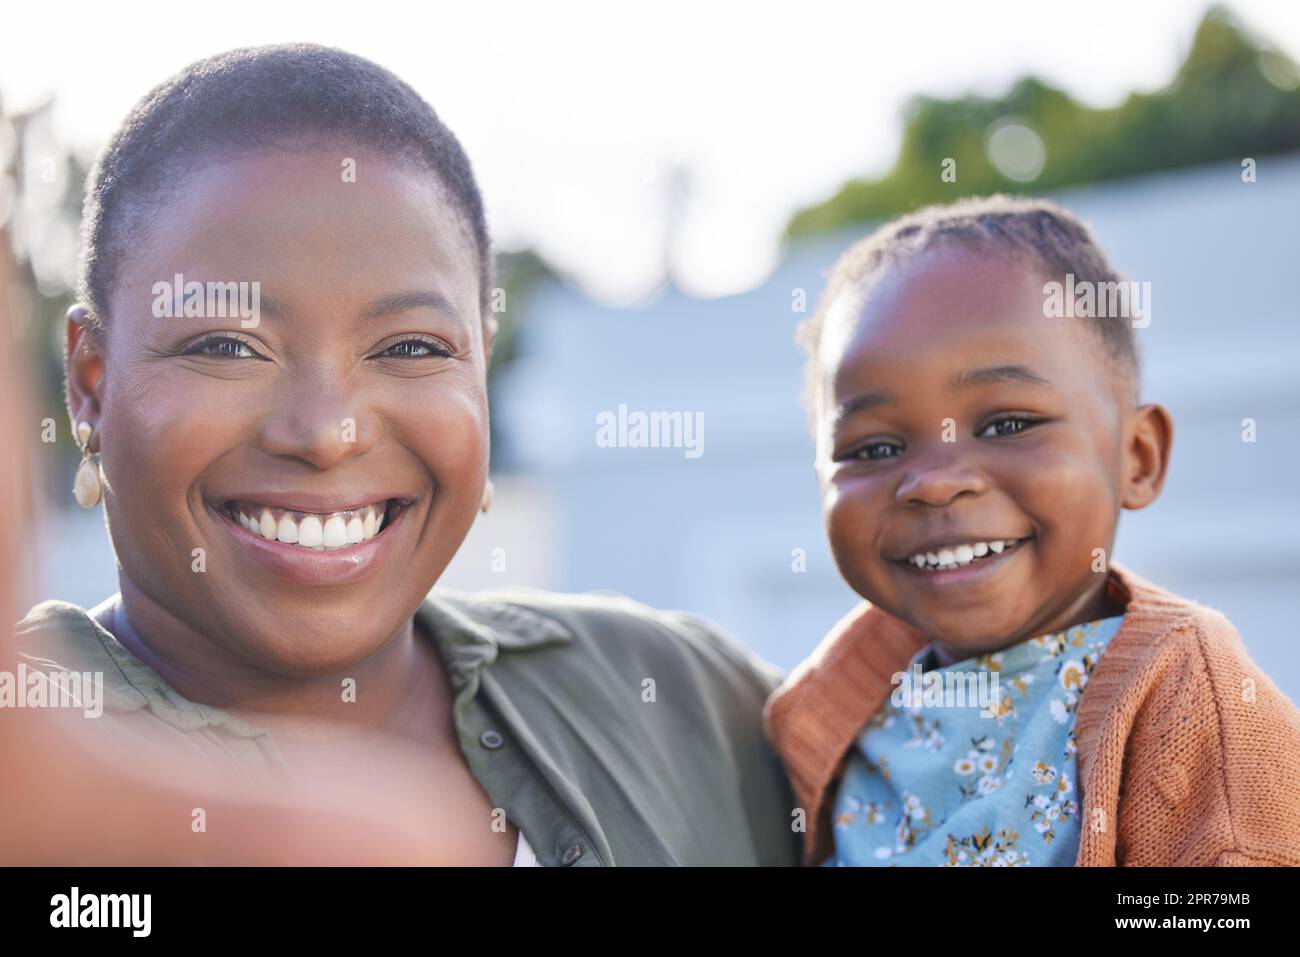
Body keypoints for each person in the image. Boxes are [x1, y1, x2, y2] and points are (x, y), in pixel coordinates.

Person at [8, 44, 798, 867]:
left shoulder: (679, 696)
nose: (325, 432)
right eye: (229, 346)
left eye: (411, 346)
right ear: (91, 384)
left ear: (481, 370)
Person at [763, 194, 1300, 866]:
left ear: (1137, 456)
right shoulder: (828, 712)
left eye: (1007, 424)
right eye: (872, 448)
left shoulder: (1192, 704)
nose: (933, 482)